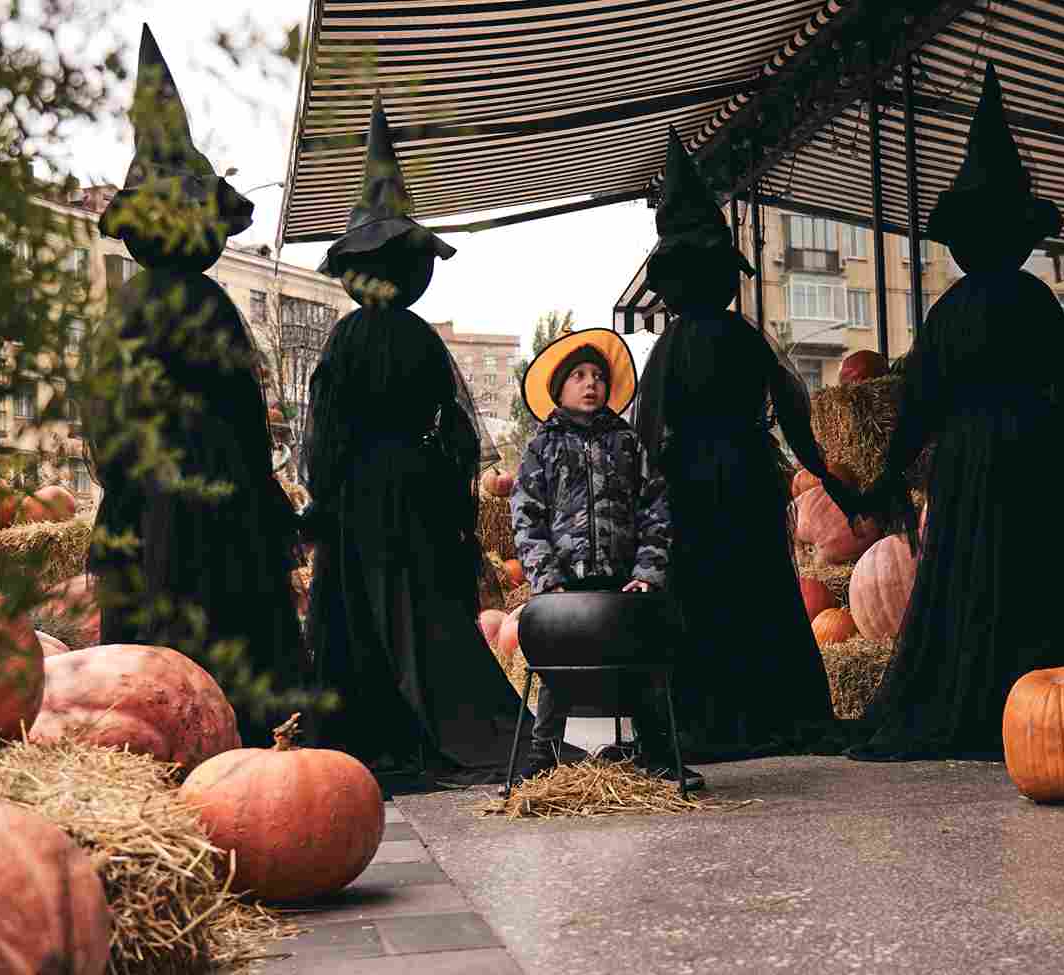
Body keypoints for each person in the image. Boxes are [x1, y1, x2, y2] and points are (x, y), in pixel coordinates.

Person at [844, 63, 1064, 763]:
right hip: (1029, 457)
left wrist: (890, 472)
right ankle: (1022, 698)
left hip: (965, 464)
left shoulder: (949, 310)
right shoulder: (1033, 301)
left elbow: (917, 405)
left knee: (963, 578)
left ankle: (966, 704)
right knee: (1026, 575)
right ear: (1019, 236)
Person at [299, 92, 534, 788]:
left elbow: (326, 435)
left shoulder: (345, 339)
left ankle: (369, 730)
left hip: (359, 497)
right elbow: (456, 432)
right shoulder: (421, 340)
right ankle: (442, 724)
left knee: (357, 617)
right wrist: (441, 488)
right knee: (424, 612)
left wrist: (326, 495)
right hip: (417, 491)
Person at [87, 25, 303, 745]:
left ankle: (159, 743)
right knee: (222, 621)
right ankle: (233, 738)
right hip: (215, 501)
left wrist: (120, 482)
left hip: (141, 502)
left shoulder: (123, 307)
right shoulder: (208, 304)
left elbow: (102, 421)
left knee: (150, 637)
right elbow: (242, 411)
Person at [631, 129, 856, 761]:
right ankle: (772, 712)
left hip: (689, 491)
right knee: (761, 595)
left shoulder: (669, 349)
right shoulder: (744, 337)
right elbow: (791, 410)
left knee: (699, 600)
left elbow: (649, 433)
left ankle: (708, 719)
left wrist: (641, 504)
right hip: (748, 481)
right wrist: (825, 473)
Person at [509, 328, 699, 787]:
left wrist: (647, 570)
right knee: (556, 669)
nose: (590, 383)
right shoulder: (542, 446)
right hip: (565, 584)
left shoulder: (627, 442)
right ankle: (544, 752)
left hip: (623, 579)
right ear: (559, 389)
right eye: (578, 375)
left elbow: (655, 507)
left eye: (597, 375)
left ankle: (655, 750)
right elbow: (526, 515)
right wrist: (545, 576)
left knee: (641, 663)